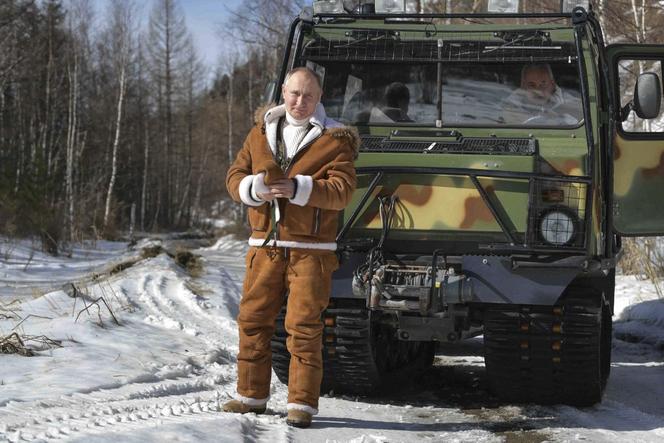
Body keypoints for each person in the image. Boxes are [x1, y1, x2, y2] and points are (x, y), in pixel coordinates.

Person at [224, 67, 359, 428]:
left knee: (303, 327)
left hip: (311, 251)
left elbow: (343, 190)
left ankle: (301, 404)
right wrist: (254, 188)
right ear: (283, 92)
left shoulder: (336, 139)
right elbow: (234, 176)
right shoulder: (259, 133)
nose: (300, 102)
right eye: (295, 93)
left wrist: (299, 189)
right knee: (252, 322)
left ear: (319, 98)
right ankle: (250, 397)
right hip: (264, 246)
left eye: (309, 96)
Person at [501, 63, 582, 125]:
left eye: (543, 84)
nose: (538, 90)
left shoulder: (573, 105)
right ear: (523, 86)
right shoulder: (508, 107)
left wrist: (558, 118)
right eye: (532, 85)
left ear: (553, 84)